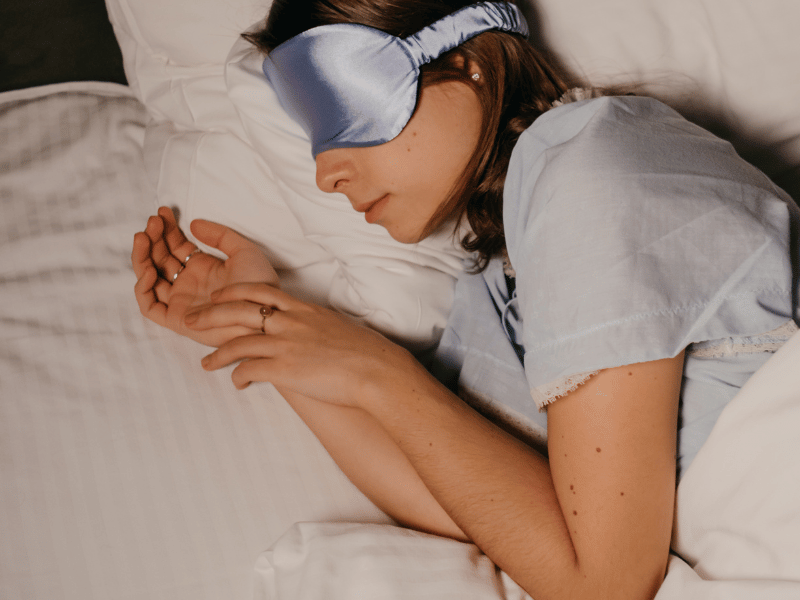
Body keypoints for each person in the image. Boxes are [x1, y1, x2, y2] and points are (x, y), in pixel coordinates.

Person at [131, 2, 800, 598]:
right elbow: (493, 512)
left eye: (340, 111)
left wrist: (379, 372)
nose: (325, 173)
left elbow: (603, 585)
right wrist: (258, 323)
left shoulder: (592, 176)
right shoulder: (498, 281)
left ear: (467, 60)